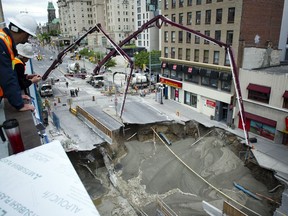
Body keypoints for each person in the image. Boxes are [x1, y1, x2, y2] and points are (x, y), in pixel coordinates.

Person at [0, 13, 37, 111]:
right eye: (28, 36)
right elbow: (7, 77)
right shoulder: (2, 44)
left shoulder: (4, 40)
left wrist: (15, 96)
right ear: (24, 33)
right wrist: (19, 104)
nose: (26, 40)